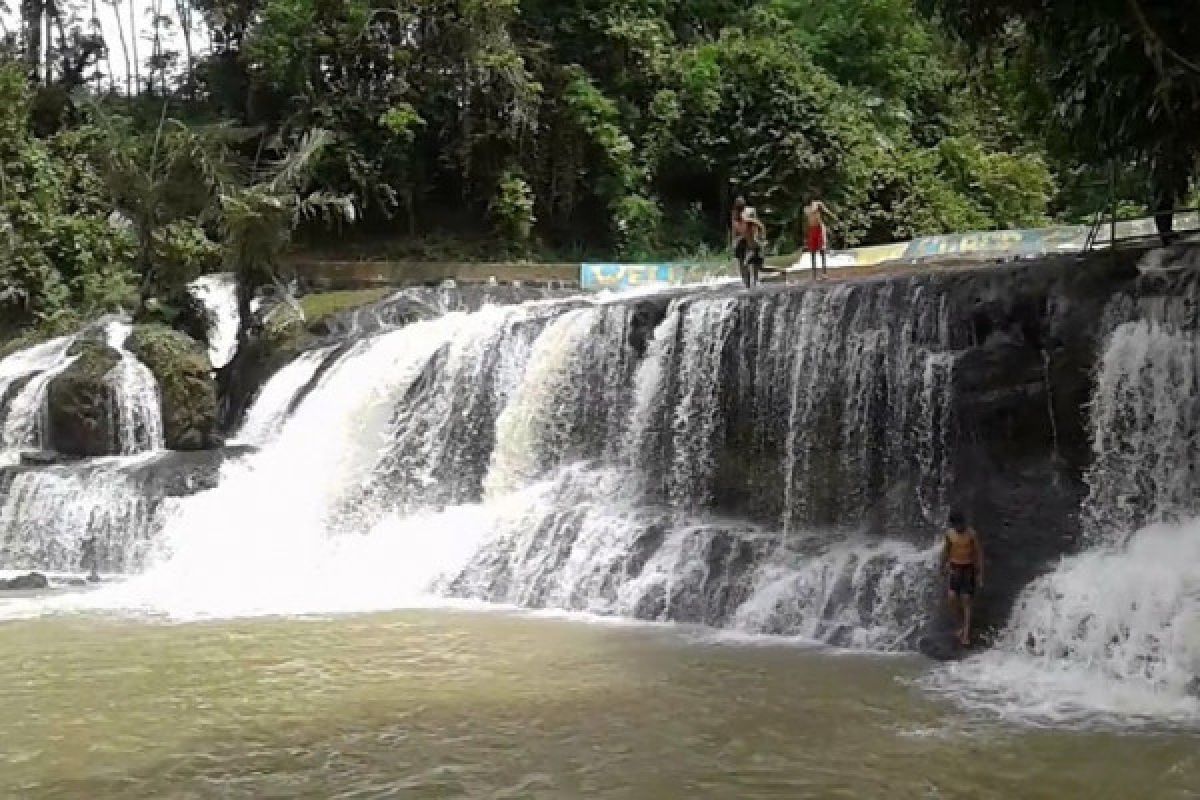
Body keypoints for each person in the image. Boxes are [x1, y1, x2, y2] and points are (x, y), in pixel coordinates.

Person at [940, 509, 984, 646]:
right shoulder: (950, 534)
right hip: (955, 568)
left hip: (968, 568)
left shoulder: (971, 534)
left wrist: (980, 574)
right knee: (952, 597)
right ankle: (960, 624)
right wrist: (942, 566)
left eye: (960, 524)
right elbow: (946, 551)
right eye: (956, 525)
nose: (959, 527)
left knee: (966, 599)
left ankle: (966, 633)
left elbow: (979, 553)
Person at [803, 198, 837, 280]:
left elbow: (826, 212)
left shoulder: (818, 204)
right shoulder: (805, 208)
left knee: (822, 250)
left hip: (819, 228)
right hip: (811, 229)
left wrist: (834, 218)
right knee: (812, 252)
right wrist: (805, 233)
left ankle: (824, 273)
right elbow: (806, 221)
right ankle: (814, 274)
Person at [738, 207, 767, 288]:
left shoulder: (751, 224)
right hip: (752, 249)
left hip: (756, 249)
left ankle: (750, 285)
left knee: (750, 266)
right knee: (756, 268)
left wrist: (762, 238)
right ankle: (751, 285)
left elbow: (760, 226)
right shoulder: (748, 225)